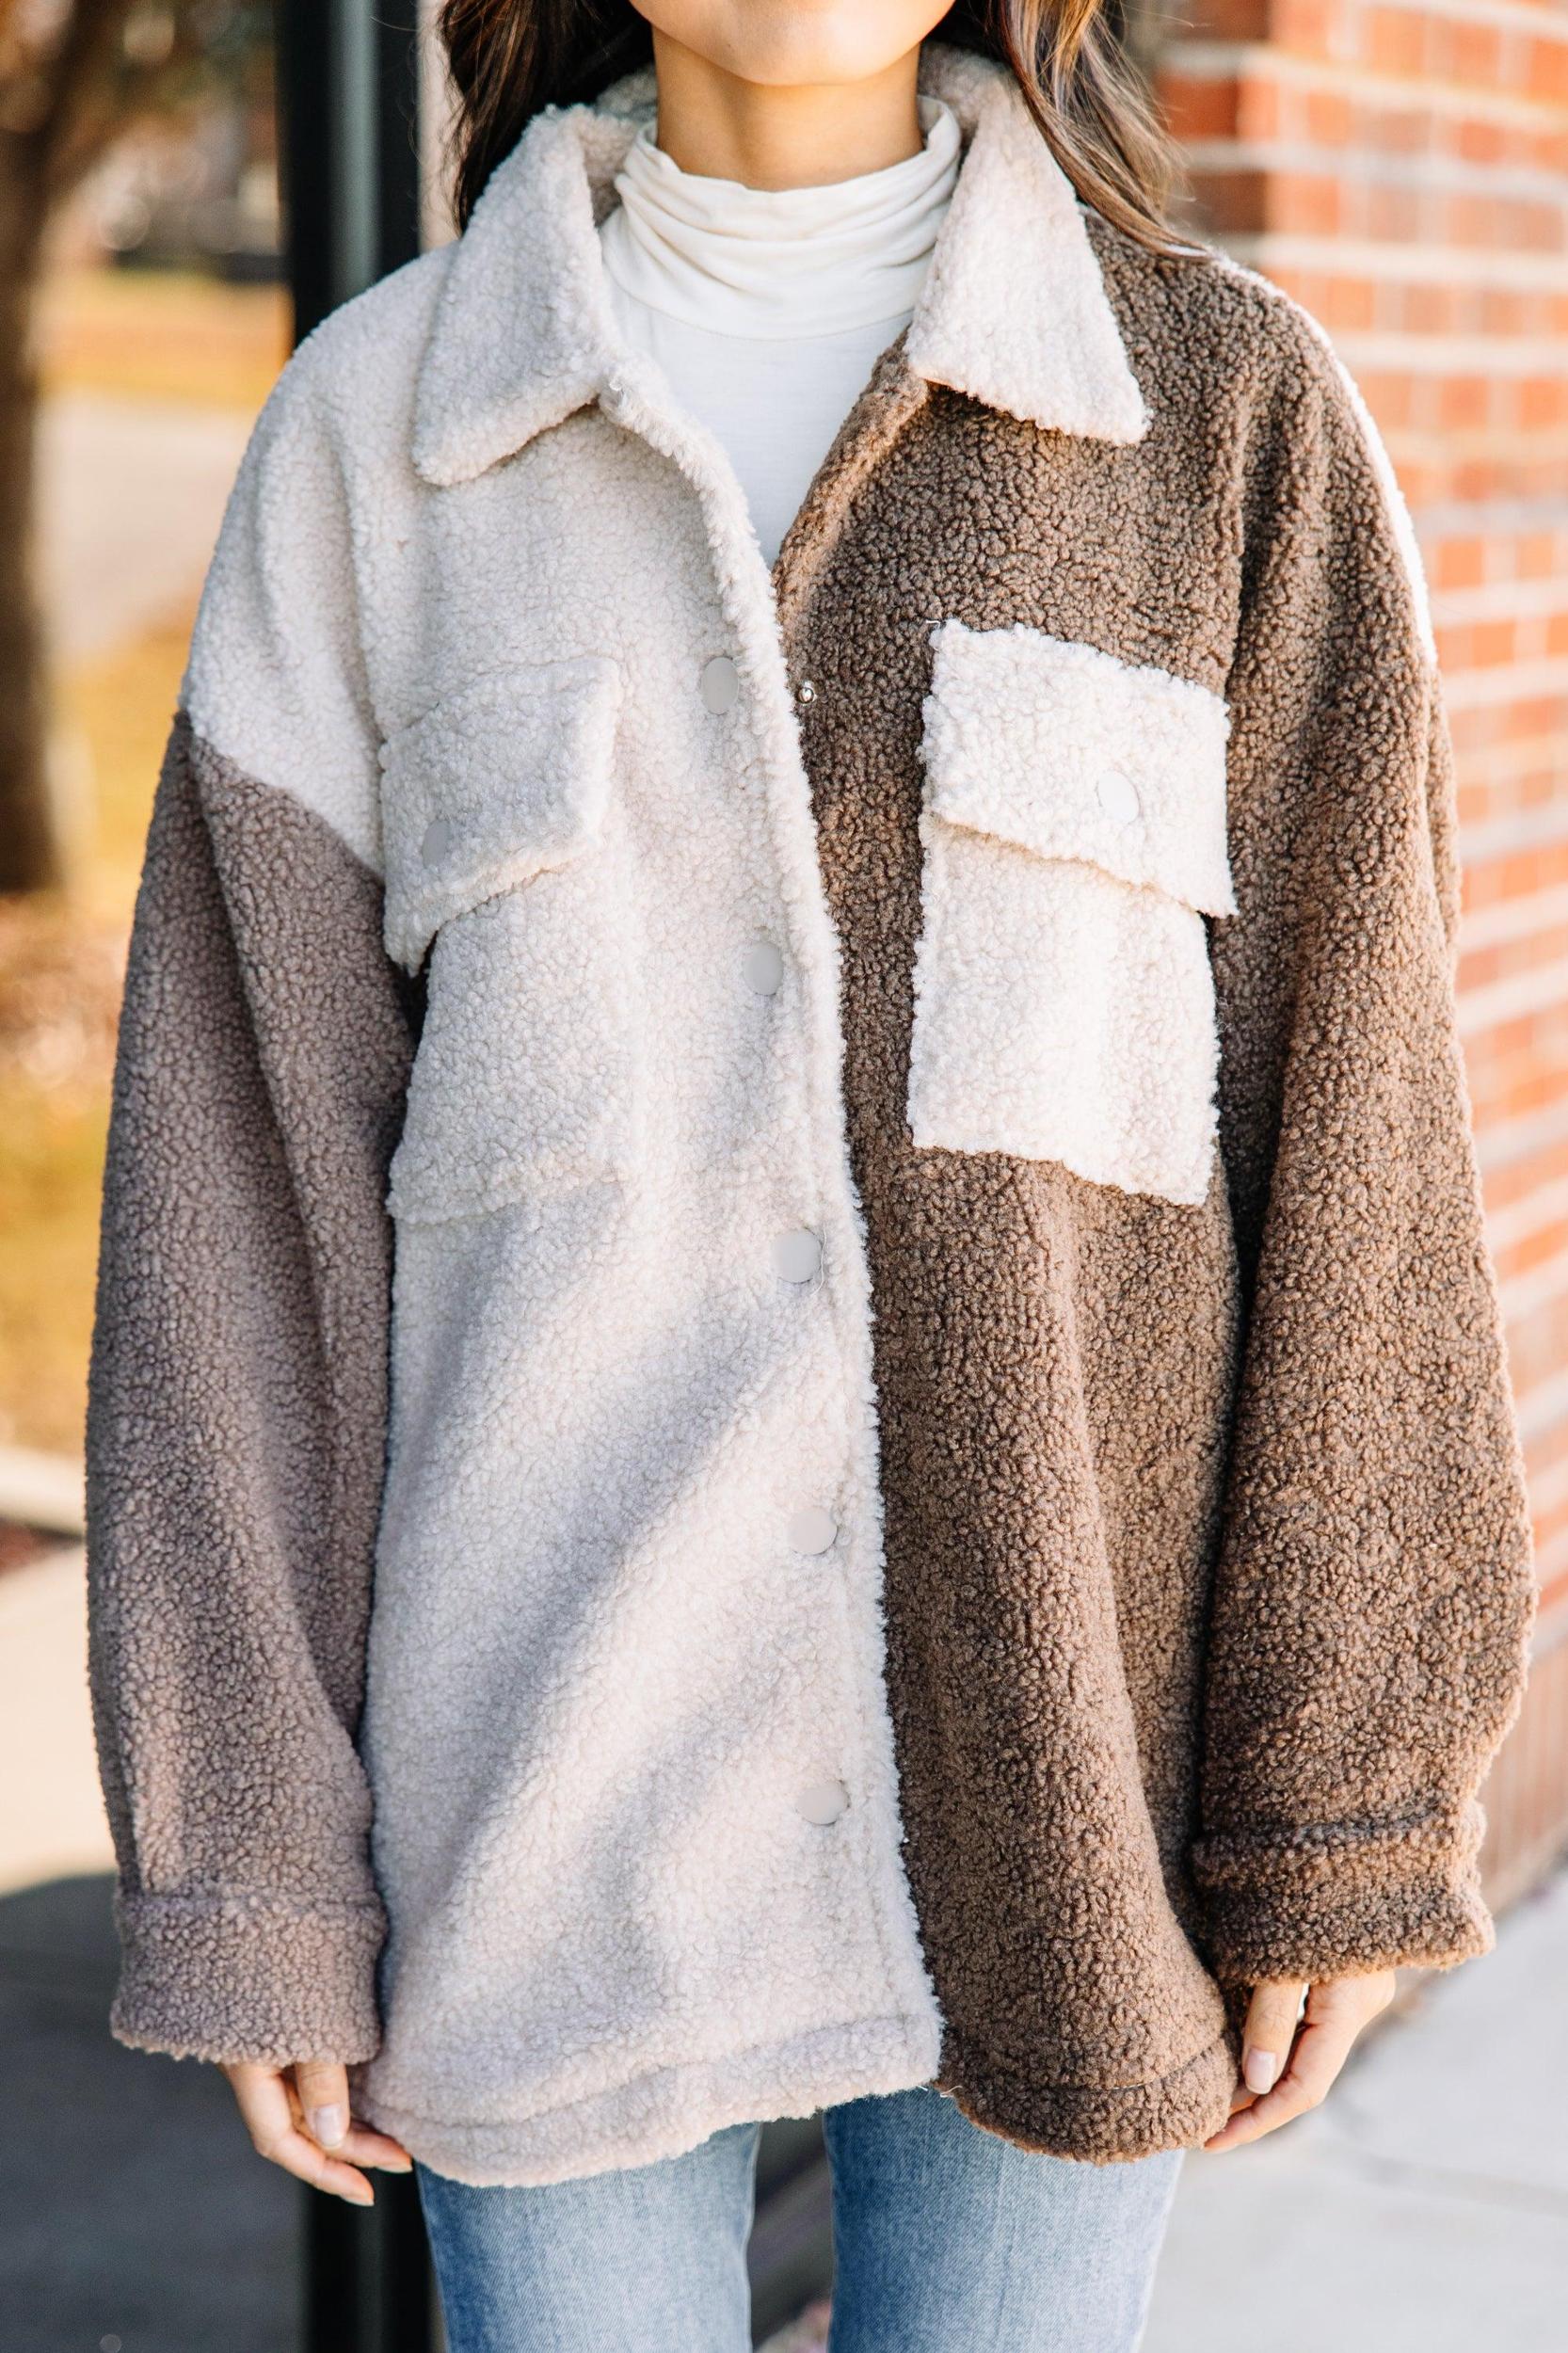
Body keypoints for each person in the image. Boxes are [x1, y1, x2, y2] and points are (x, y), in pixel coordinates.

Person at [85, 4, 1536, 2348]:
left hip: (1066, 1797)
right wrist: (245, 1844)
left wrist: (1342, 1792)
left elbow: (1356, 1142)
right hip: (538, 1811)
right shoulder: (378, 431)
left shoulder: (1220, 416)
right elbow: (232, 1207)